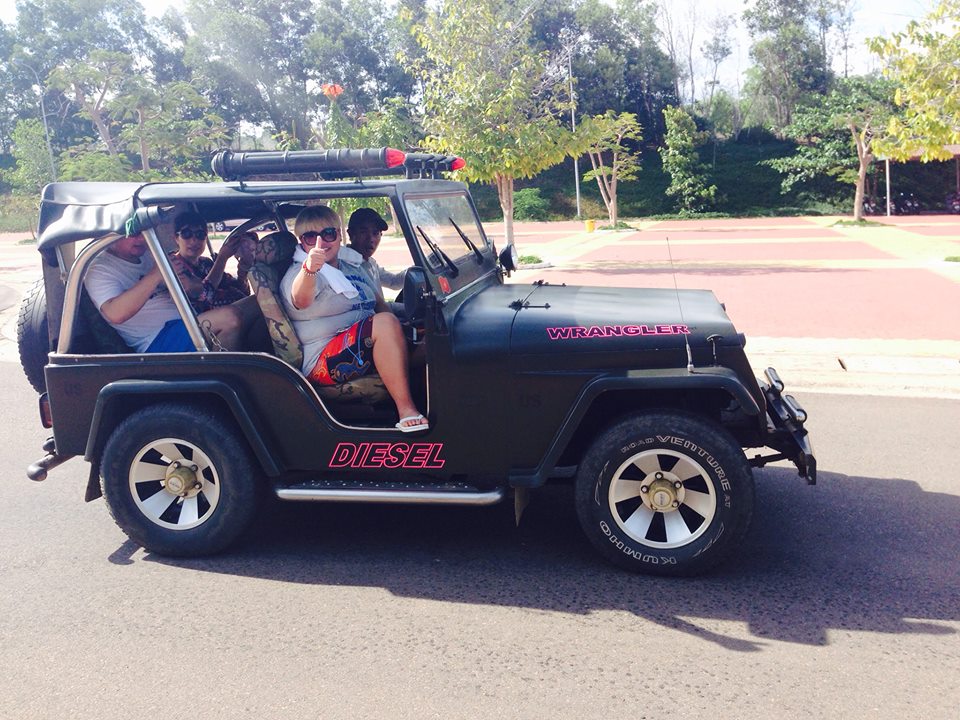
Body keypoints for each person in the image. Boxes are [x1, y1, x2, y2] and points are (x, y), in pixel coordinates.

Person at [280, 205, 428, 432]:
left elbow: (378, 303)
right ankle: (406, 410)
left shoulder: (352, 267)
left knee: (434, 338)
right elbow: (301, 299)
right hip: (323, 359)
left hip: (361, 341)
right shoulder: (301, 272)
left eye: (328, 234)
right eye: (310, 237)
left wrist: (407, 330)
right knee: (385, 324)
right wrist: (310, 268)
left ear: (339, 235)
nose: (321, 242)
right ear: (301, 241)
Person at [84, 231, 245, 353]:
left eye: (143, 233)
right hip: (156, 340)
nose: (141, 239)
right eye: (133, 234)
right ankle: (221, 386)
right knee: (229, 318)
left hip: (187, 321)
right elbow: (114, 314)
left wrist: (187, 282)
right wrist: (156, 275)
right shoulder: (100, 270)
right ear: (112, 234)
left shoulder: (148, 254)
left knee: (255, 304)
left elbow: (198, 290)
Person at [169, 211, 255, 313]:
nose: (193, 240)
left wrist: (243, 269)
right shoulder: (174, 265)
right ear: (176, 238)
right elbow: (203, 298)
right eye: (186, 234)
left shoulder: (206, 263)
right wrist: (222, 258)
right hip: (200, 324)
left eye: (200, 235)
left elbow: (242, 293)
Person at [346, 207, 405, 291]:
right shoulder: (342, 265)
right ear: (351, 234)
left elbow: (393, 282)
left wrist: (417, 269)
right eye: (363, 232)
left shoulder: (370, 263)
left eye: (375, 233)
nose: (371, 239)